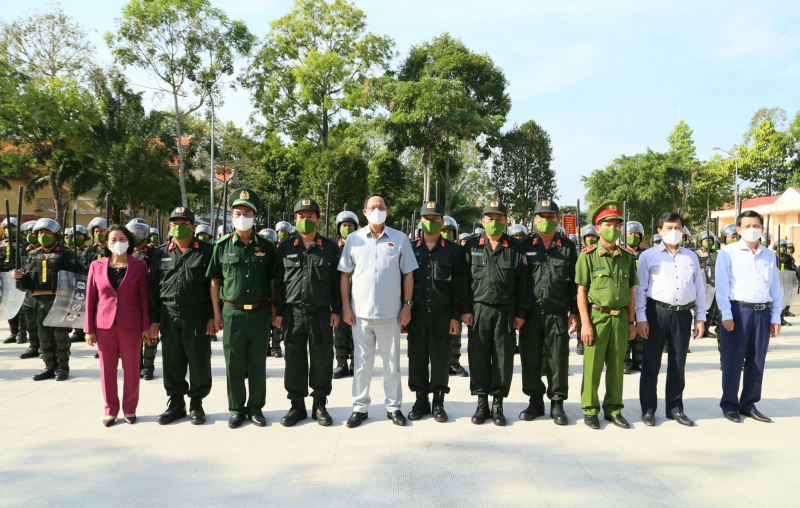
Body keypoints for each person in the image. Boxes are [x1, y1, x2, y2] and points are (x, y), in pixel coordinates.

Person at [339, 193, 418, 428]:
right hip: (360, 314)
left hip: (391, 315)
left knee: (391, 365)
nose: (377, 210)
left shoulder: (400, 238)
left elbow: (408, 274)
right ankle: (360, 407)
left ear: (387, 211)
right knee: (362, 365)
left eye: (381, 206)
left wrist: (407, 305)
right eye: (372, 207)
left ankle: (393, 407)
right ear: (364, 212)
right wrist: (345, 306)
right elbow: (345, 275)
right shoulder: (354, 239)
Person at [207, 188, 276, 429]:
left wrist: (274, 310)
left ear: (255, 217)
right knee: (233, 362)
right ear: (232, 216)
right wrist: (216, 314)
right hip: (232, 312)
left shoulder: (267, 247)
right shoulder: (222, 245)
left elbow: (272, 281)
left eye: (247, 212)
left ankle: (256, 407)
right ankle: (236, 408)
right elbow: (215, 280)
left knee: (258, 361)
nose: (242, 217)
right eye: (237, 212)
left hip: (259, 311)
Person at [461, 201, 529, 426]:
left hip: (505, 312)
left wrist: (520, 313)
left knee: (502, 359)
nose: (494, 222)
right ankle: (482, 404)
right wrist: (465, 310)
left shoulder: (515, 248)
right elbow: (463, 283)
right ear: (483, 221)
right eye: (490, 218)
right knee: (478, 357)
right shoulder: (471, 246)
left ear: (506, 221)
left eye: (499, 218)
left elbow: (523, 284)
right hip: (479, 310)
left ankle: (498, 405)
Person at [634, 212, 706, 427]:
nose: (674, 232)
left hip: (683, 314)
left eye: (678, 227)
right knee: (651, 364)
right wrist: (641, 318)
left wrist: (700, 317)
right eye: (669, 228)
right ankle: (648, 409)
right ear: (659, 231)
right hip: (656, 313)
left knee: (677, 364)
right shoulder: (649, 256)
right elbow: (640, 289)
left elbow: (699, 289)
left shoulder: (691, 257)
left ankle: (675, 408)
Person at [274, 198, 341, 427]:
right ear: (295, 220)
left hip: (321, 313)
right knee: (294, 359)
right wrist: (279, 311)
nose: (305, 220)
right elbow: (279, 283)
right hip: (293, 313)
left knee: (322, 359)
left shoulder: (329, 247)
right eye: (301, 217)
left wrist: (337, 310)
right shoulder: (284, 247)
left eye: (310, 216)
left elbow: (336, 282)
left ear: (318, 220)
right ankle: (297, 405)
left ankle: (320, 403)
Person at [148, 207, 215, 425]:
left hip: (197, 316)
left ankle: (196, 401)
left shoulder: (207, 251)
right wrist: (153, 320)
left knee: (199, 361)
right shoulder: (160, 252)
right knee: (172, 361)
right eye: (174, 223)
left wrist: (213, 317)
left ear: (194, 227)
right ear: (169, 227)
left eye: (184, 223)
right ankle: (176, 402)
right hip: (169, 315)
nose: (178, 227)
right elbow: (153, 290)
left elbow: (214, 287)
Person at [575, 201, 638, 429]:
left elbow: (631, 290)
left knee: (616, 367)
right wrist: (585, 323)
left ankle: (613, 409)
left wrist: (632, 322)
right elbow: (581, 291)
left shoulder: (626, 256)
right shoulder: (588, 255)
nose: (613, 228)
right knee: (592, 367)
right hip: (597, 317)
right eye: (608, 224)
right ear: (598, 228)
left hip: (620, 318)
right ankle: (590, 409)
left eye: (617, 224)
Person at [715, 210, 781, 423]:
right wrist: (726, 313)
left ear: (762, 228)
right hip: (737, 311)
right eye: (747, 226)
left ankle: (749, 404)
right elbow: (722, 286)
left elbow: (776, 288)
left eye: (756, 225)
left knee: (756, 360)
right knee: (733, 360)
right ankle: (730, 405)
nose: (752, 229)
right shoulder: (728, 253)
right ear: (739, 229)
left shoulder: (769, 255)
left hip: (763, 313)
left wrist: (776, 316)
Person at [518, 199, 578, 426]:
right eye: (541, 217)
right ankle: (535, 401)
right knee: (530, 358)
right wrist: (518, 312)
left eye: (550, 217)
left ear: (558, 219)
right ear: (535, 220)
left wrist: (575, 312)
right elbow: (519, 281)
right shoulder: (524, 245)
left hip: (557, 312)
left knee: (558, 360)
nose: (546, 220)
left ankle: (557, 403)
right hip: (530, 313)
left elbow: (575, 283)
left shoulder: (568, 247)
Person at [84, 225, 150, 426]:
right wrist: (89, 329)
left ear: (129, 242)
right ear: (105, 243)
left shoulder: (139, 265)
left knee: (131, 368)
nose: (117, 243)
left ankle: (130, 408)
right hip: (104, 325)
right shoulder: (96, 265)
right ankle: (110, 410)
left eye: (122, 239)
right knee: (107, 369)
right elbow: (90, 299)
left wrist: (146, 326)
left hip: (131, 324)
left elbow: (145, 299)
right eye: (113, 240)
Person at [406, 201, 462, 423]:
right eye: (427, 219)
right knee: (417, 358)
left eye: (435, 219)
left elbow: (459, 287)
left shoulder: (454, 251)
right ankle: (421, 400)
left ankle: (438, 401)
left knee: (440, 358)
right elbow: (402, 282)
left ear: (442, 222)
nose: (431, 223)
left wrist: (455, 317)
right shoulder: (410, 248)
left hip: (442, 313)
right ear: (421, 221)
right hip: (417, 313)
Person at [11, 218, 84, 381]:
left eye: (47, 232)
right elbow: (26, 285)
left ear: (55, 235)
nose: (43, 235)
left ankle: (63, 368)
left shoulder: (66, 254)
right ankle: (49, 367)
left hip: (60, 301)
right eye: (40, 232)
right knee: (43, 336)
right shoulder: (33, 255)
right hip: (39, 301)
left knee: (60, 335)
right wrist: (20, 277)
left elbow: (79, 276)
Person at [441, 216, 468, 377]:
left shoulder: (458, 250)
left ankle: (454, 363)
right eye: (443, 230)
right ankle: (441, 364)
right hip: (438, 298)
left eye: (449, 231)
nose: (446, 233)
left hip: (454, 298)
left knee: (455, 335)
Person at [333, 210, 359, 379]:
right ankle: (342, 363)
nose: (347, 228)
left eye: (351, 226)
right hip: (339, 295)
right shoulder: (332, 247)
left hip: (358, 295)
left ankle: (356, 364)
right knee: (340, 331)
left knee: (357, 332)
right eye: (344, 226)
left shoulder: (361, 246)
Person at [623, 220, 647, 375]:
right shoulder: (621, 253)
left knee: (640, 331)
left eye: (636, 234)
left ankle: (639, 360)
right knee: (626, 329)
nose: (633, 236)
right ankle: (625, 360)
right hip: (625, 296)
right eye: (630, 234)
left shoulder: (646, 254)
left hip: (642, 296)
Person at [1, 217, 27, 344]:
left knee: (21, 306)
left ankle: (22, 333)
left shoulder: (24, 245)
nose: (8, 230)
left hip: (18, 277)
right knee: (9, 305)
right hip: (5, 279)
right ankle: (13, 332)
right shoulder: (1, 244)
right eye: (6, 228)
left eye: (12, 228)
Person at [775, 239, 795, 326]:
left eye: (784, 247)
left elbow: (791, 268)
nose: (782, 248)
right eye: (780, 247)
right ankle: (776, 318)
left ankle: (782, 317)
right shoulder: (773, 256)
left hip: (786, 281)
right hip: (777, 282)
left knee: (784, 299)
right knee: (777, 301)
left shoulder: (788, 258)